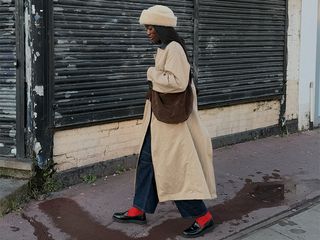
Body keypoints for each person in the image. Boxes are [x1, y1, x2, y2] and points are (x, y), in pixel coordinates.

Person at [112, 5, 217, 238]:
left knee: (174, 169)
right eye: (147, 28)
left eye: (150, 27)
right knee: (148, 162)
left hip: (172, 124)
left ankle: (203, 217)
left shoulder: (174, 49)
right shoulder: (164, 48)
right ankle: (138, 209)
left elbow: (177, 82)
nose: (147, 32)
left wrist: (151, 73)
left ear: (161, 27)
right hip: (159, 119)